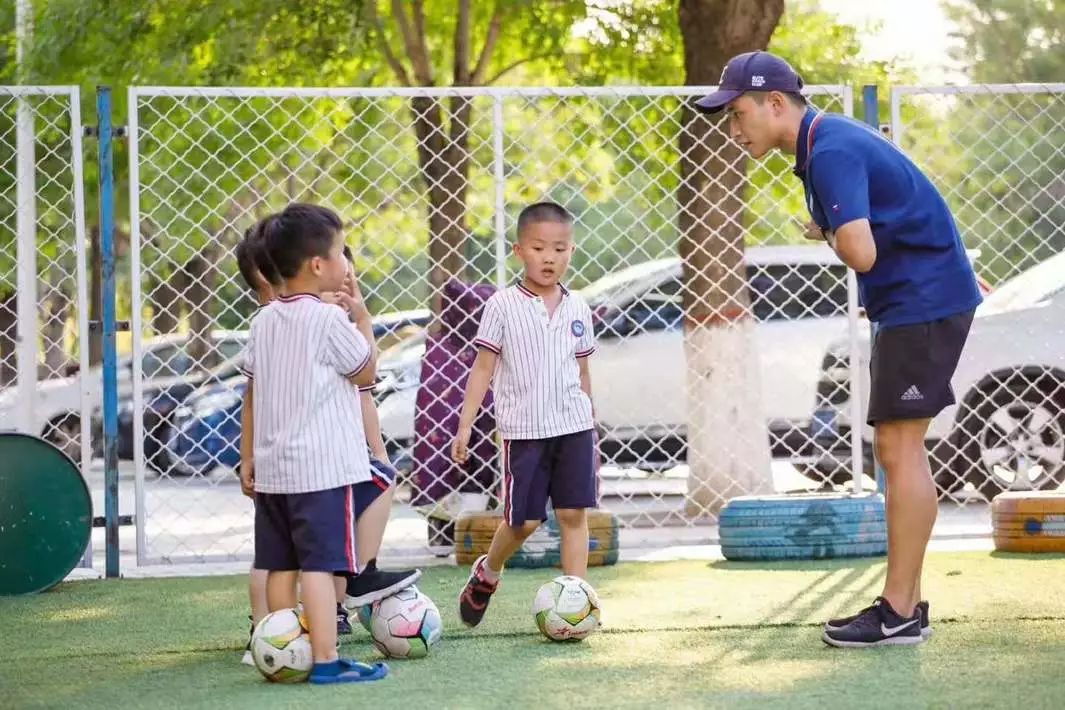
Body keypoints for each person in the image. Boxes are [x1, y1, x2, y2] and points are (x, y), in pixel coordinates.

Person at [695, 51, 982, 648]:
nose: (733, 126)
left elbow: (861, 252)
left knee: (898, 449)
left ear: (775, 104)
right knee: (899, 448)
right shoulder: (825, 143)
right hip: (920, 300)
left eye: (738, 111)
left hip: (922, 301)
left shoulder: (828, 150)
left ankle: (899, 611)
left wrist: (827, 228)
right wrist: (833, 224)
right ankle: (908, 604)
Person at [238, 202, 388, 683]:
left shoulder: (263, 322)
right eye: (342, 252)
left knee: (280, 566)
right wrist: (361, 319)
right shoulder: (328, 321)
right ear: (318, 266)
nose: (347, 262)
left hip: (276, 470)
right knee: (320, 568)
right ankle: (325, 660)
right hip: (321, 472)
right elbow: (365, 371)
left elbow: (255, 387)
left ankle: (283, 651)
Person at [451, 201, 599, 628]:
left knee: (574, 515)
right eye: (538, 248)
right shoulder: (502, 305)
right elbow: (483, 368)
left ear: (572, 251)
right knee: (524, 521)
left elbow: (583, 370)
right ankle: (488, 572)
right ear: (518, 251)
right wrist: (465, 426)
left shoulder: (578, 308)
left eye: (560, 248)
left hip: (574, 426)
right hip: (525, 431)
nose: (549, 257)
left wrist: (592, 425)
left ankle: (576, 603)